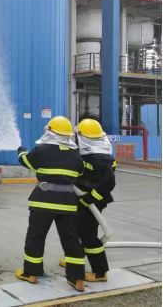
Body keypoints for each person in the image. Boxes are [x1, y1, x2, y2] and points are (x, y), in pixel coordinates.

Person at [15, 116, 85, 292]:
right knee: (71, 240)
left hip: (43, 201)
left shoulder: (42, 150)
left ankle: (31, 273)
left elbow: (26, 161)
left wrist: (21, 151)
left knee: (36, 236)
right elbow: (79, 174)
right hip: (68, 203)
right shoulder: (75, 154)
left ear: (50, 131)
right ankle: (77, 278)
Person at [59, 118, 116, 282]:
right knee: (77, 230)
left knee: (88, 234)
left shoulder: (100, 158)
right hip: (83, 198)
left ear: (83, 137)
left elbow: (109, 183)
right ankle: (76, 258)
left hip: (92, 201)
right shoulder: (91, 154)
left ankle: (100, 272)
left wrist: (90, 199)